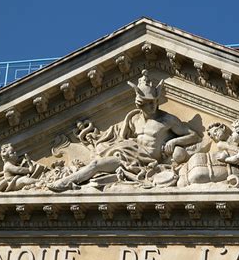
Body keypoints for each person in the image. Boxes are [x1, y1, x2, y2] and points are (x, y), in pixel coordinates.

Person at [48, 70, 201, 191]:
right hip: (128, 154)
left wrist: (174, 141)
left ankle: (66, 182)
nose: (152, 106)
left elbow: (194, 136)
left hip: (144, 160)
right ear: (139, 103)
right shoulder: (133, 119)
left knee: (96, 164)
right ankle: (68, 181)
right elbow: (120, 138)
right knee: (97, 162)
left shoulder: (168, 120)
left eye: (153, 102)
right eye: (146, 103)